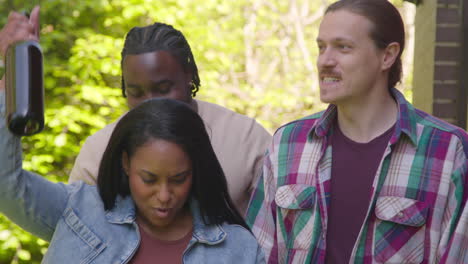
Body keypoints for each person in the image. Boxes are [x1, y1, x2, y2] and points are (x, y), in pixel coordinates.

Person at [246, 0, 468, 263]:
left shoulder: (449, 151)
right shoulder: (287, 144)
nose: (325, 61)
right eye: (321, 47)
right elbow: (257, 253)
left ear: (387, 56)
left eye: (343, 47)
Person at [0, 68, 265, 263]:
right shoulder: (79, 208)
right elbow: (6, 186)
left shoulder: (239, 250)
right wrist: (8, 85)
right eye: (149, 179)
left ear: (195, 170)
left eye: (179, 179)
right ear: (126, 163)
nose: (164, 196)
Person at [68, 21, 272, 214]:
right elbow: (73, 229)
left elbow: (277, 229)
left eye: (163, 89)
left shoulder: (246, 138)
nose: (150, 104)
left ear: (189, 76)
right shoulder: (98, 151)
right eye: (136, 93)